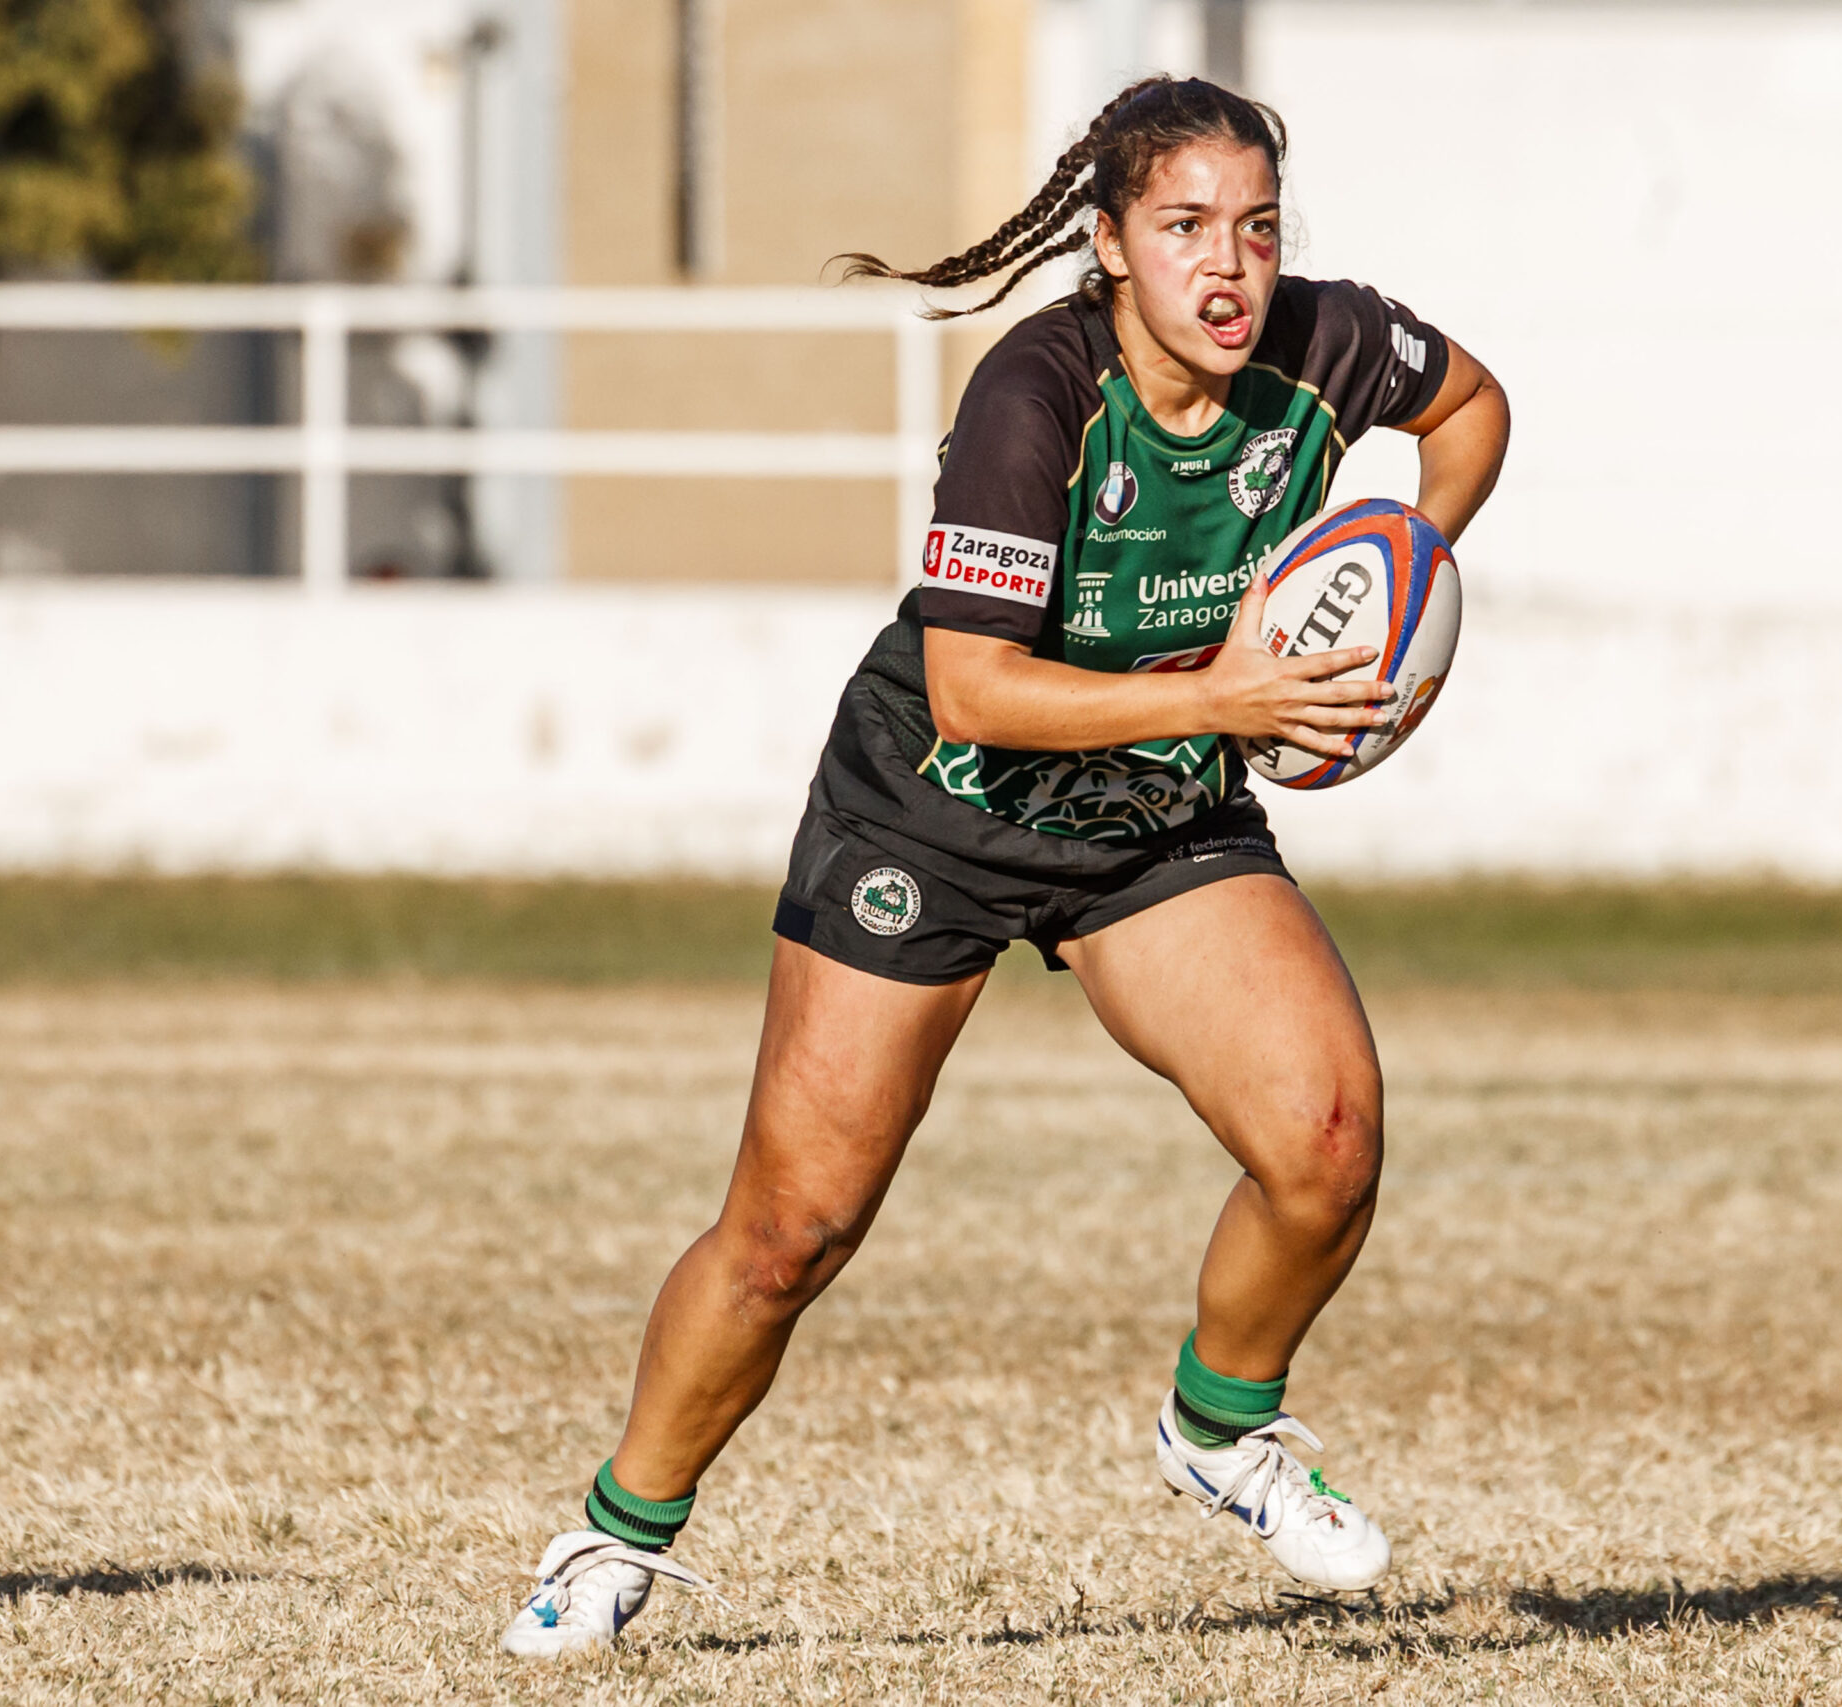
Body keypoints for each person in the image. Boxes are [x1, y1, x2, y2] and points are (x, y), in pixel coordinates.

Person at [501, 75, 1510, 1657]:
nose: (1227, 267)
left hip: (1157, 817)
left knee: (1327, 1138)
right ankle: (615, 1536)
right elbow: (974, 688)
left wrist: (1398, 574)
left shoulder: (1324, 345)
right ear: (1108, 244)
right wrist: (1228, 696)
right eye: (1183, 230)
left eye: (1255, 228)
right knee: (790, 1232)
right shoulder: (1034, 396)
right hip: (936, 809)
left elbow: (1472, 410)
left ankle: (1221, 1427)